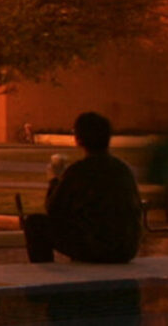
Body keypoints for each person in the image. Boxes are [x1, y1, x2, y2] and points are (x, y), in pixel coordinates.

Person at [19, 111, 141, 264]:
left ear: (78, 139)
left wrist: (54, 180)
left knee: (34, 224)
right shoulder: (123, 169)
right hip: (125, 248)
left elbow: (54, 209)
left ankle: (45, 274)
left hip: (97, 247)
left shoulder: (79, 171)